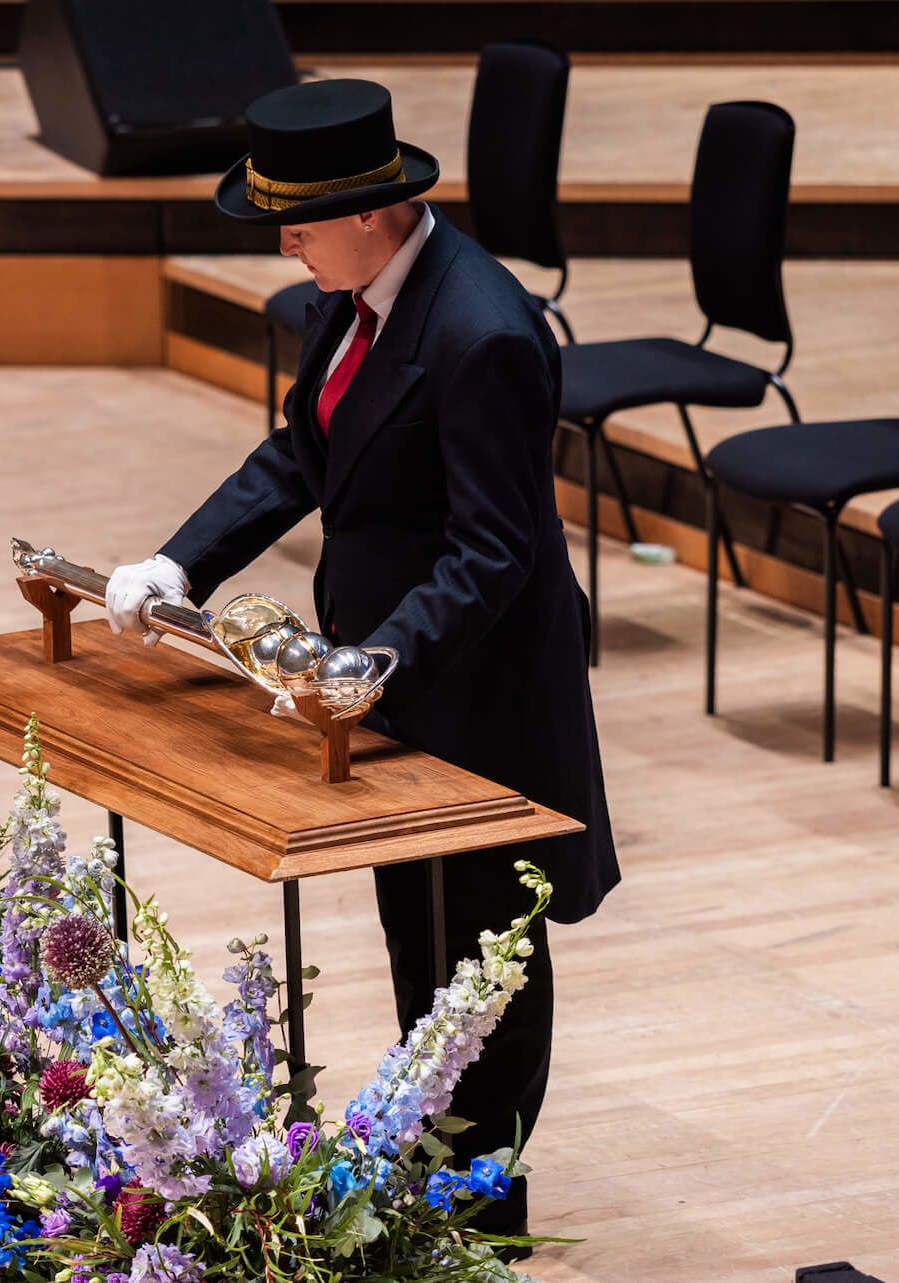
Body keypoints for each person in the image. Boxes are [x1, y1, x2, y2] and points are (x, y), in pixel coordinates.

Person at [102, 77, 618, 1245]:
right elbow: (303, 453)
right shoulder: (348, 299)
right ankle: (426, 1184)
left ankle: (480, 1216)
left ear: (370, 212)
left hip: (475, 692)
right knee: (417, 935)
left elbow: (495, 550)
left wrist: (379, 658)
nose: (282, 245)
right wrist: (180, 561)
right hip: (388, 685)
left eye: (296, 222)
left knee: (483, 957)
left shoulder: (481, 334)